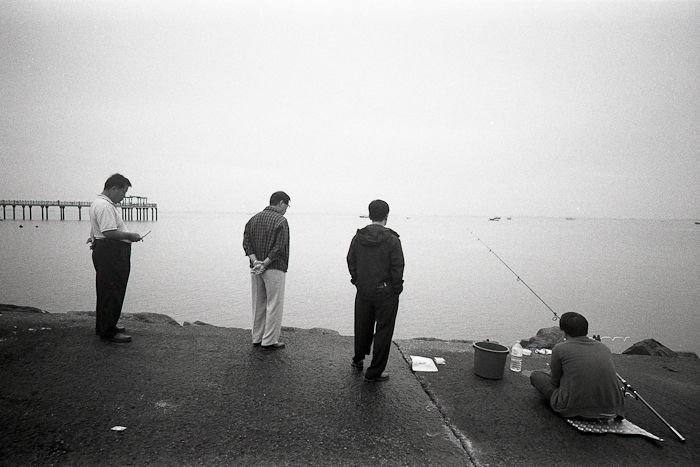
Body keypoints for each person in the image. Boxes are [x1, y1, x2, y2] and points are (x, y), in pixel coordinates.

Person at [347, 200, 404, 382]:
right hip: (385, 292)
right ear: (386, 216)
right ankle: (374, 372)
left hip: (364, 290)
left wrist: (357, 281)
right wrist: (396, 288)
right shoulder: (392, 240)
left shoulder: (358, 237)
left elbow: (351, 260)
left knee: (362, 325)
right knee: (383, 331)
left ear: (370, 215)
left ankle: (358, 359)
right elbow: (397, 267)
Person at [530, 312, 625, 419]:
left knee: (536, 376)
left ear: (564, 332)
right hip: (614, 410)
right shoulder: (604, 348)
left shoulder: (559, 348)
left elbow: (555, 382)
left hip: (573, 409)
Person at [89, 174, 142, 343]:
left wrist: (94, 238)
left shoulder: (98, 203)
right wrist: (131, 236)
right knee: (113, 291)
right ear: (113, 189)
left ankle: (104, 326)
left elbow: (98, 229)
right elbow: (109, 232)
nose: (124, 196)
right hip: (112, 252)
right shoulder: (105, 206)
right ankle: (108, 332)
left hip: (105, 250)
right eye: (123, 192)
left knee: (106, 290)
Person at [243, 191, 291, 350]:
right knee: (274, 303)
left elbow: (246, 243)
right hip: (274, 267)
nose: (286, 210)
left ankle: (257, 337)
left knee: (258, 302)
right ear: (281, 203)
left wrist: (256, 261)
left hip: (255, 267)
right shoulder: (281, 221)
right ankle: (269, 340)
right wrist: (265, 263)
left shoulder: (253, 219)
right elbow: (279, 247)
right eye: (286, 206)